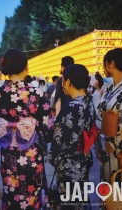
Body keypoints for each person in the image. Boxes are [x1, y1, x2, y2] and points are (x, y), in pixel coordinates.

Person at [0, 48, 50, 209]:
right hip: (31, 154)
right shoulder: (36, 93)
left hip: (8, 154)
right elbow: (45, 127)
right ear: (26, 67)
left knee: (12, 196)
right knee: (32, 195)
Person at [47, 64, 97, 210]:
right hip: (83, 159)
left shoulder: (71, 107)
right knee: (78, 201)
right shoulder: (88, 102)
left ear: (68, 81)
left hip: (69, 163)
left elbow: (59, 138)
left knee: (69, 203)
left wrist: (52, 156)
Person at [95, 48, 122, 184]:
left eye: (104, 63)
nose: (103, 67)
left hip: (121, 150)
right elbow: (100, 114)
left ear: (111, 64)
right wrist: (97, 143)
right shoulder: (108, 89)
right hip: (107, 146)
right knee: (109, 188)